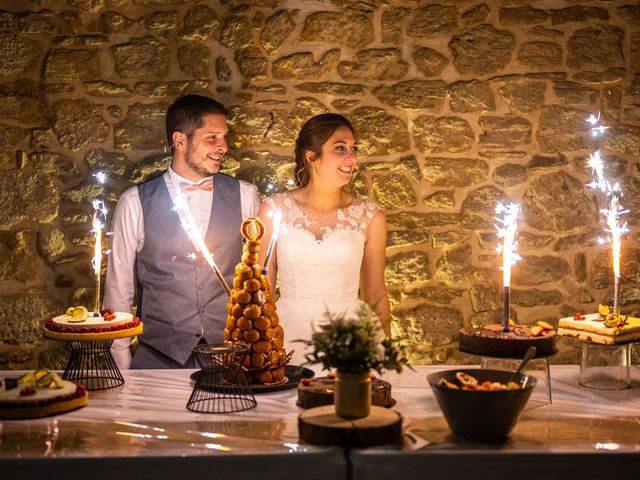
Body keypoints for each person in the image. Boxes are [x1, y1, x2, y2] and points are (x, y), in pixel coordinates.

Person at [105, 94, 260, 369]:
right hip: (157, 358)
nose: (223, 146)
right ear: (180, 141)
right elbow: (119, 291)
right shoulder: (134, 202)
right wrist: (122, 366)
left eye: (224, 137)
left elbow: (257, 279)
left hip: (229, 357)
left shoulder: (246, 196)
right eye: (212, 137)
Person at [258, 113, 391, 365]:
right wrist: (255, 343)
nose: (351, 158)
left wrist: (389, 351)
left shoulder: (370, 217)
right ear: (312, 157)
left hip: (351, 338)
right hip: (286, 334)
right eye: (340, 148)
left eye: (353, 149)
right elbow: (262, 289)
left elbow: (375, 293)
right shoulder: (273, 211)